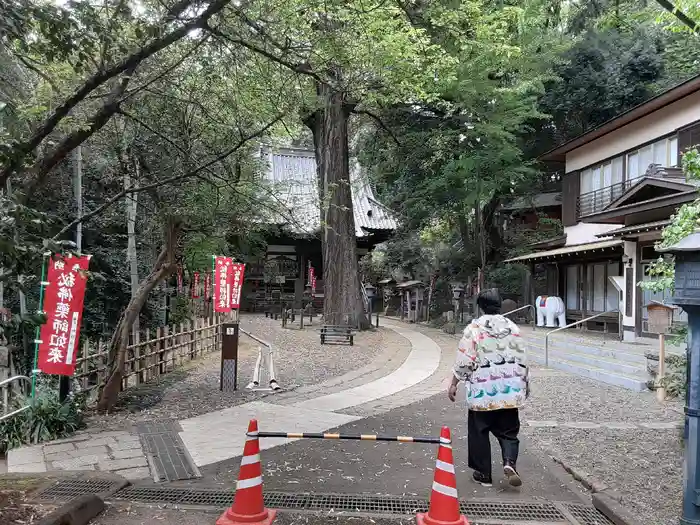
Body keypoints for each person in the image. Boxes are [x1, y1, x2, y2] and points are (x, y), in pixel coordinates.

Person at [447, 288, 530, 488]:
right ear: (499, 305)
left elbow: (465, 360)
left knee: (479, 431)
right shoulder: (513, 328)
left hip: (483, 392)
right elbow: (523, 359)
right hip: (510, 391)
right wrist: (525, 384)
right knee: (509, 432)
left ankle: (483, 474)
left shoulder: (474, 329)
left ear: (481, 307)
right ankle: (509, 462)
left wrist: (454, 382)